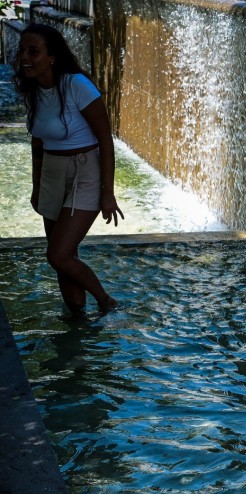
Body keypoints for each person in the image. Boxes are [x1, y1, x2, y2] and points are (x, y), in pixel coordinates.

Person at [13, 23, 123, 317]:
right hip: (51, 172)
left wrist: (107, 193)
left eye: (33, 51)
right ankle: (78, 324)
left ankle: (107, 302)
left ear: (52, 56)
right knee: (66, 267)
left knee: (58, 254)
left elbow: (105, 139)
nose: (25, 56)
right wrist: (37, 187)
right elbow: (38, 143)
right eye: (22, 50)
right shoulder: (34, 90)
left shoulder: (76, 85)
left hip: (85, 172)